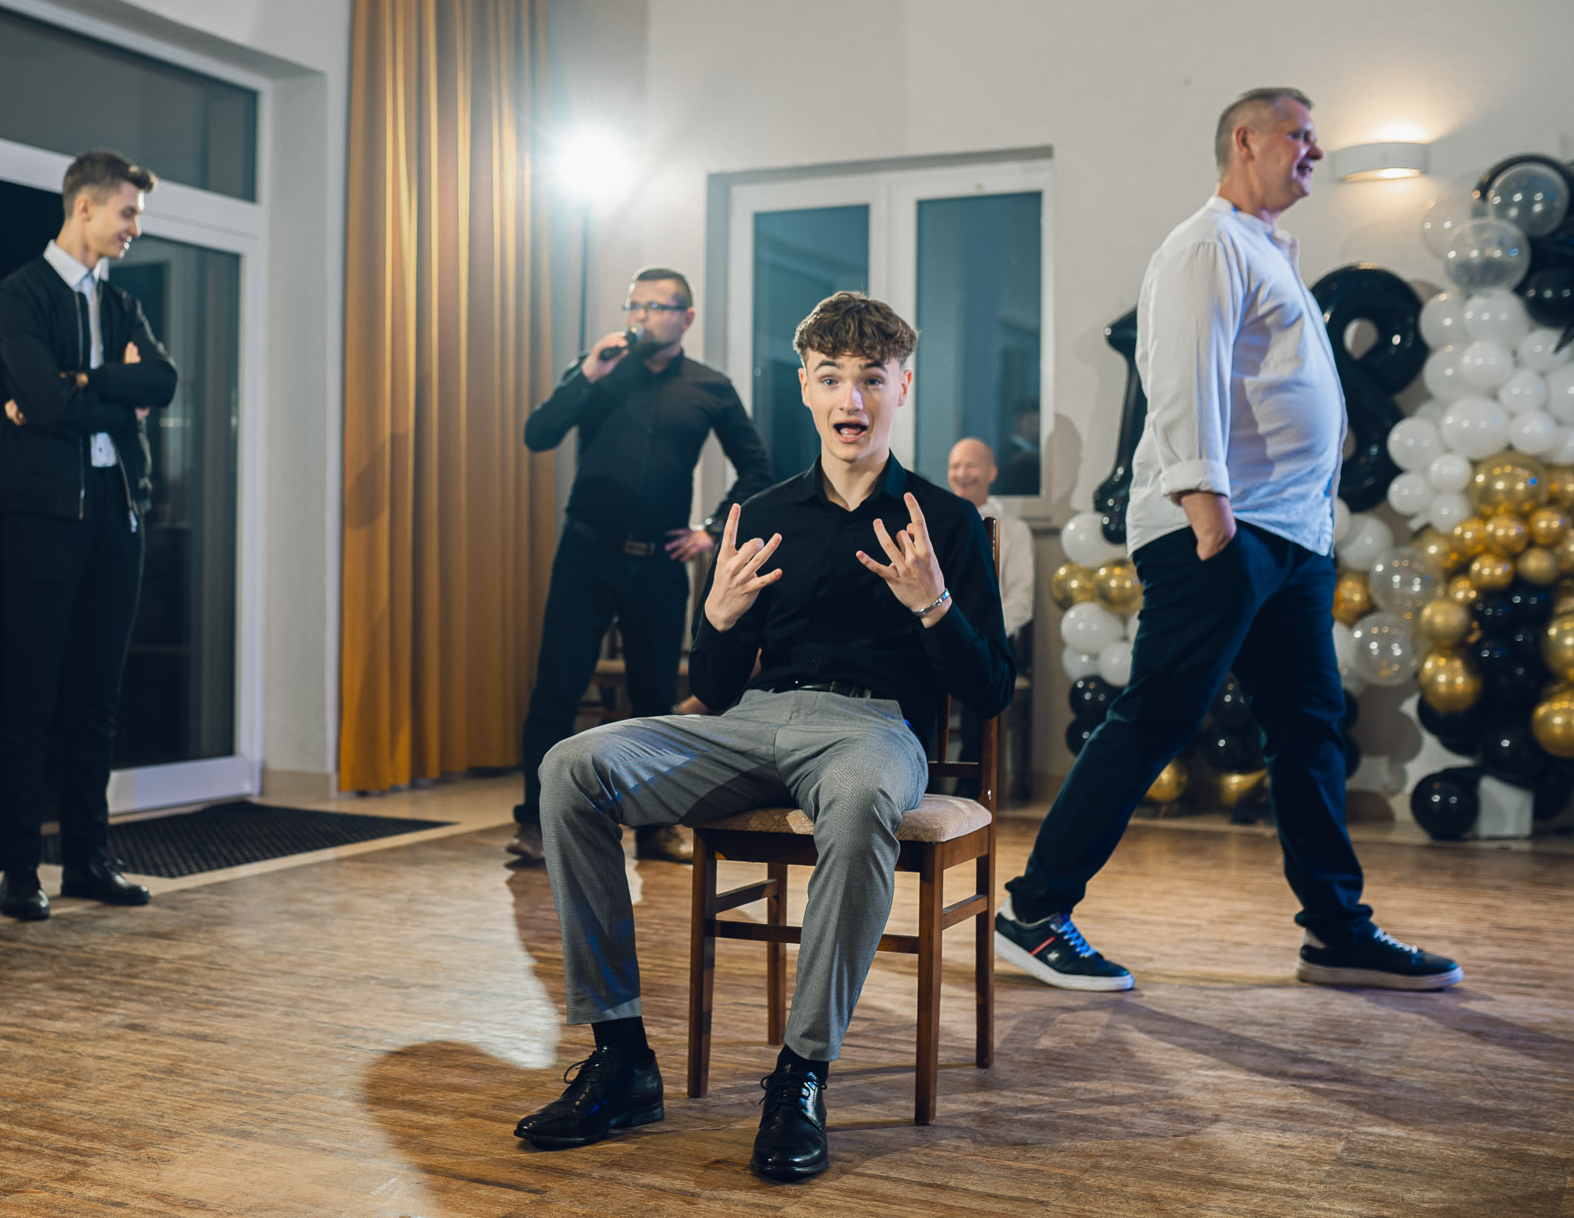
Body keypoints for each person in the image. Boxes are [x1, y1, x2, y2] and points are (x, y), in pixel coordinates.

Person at [516, 292, 1014, 1181]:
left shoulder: (945, 522)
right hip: (751, 721)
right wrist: (715, 619)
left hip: (872, 728)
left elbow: (990, 689)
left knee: (860, 799)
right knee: (571, 766)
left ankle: (801, 1074)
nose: (851, 400)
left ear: (902, 387)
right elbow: (713, 688)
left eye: (871, 379)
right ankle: (622, 1056)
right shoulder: (767, 511)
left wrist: (935, 605)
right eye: (832, 379)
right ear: (806, 388)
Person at [996, 87, 1462, 993]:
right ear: (1246, 141)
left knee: (1310, 729)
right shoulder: (1206, 244)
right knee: (1159, 715)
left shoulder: (1267, 249)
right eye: (1301, 135)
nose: (1315, 150)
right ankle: (1035, 910)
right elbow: (1183, 373)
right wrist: (1207, 505)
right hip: (1222, 528)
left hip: (1289, 535)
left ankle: (1335, 929)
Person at [510, 267, 772, 866]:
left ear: (686, 318)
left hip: (657, 563)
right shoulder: (598, 371)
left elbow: (757, 469)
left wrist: (710, 530)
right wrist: (586, 375)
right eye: (635, 305)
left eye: (656, 306)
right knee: (556, 689)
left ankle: (655, 828)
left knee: (655, 698)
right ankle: (535, 824)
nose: (641, 317)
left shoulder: (710, 387)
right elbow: (538, 434)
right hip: (585, 554)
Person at [0, 149, 176, 922]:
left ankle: (88, 859)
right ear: (86, 207)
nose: (136, 228)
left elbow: (163, 381)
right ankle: (18, 868)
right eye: (128, 213)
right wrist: (111, 395)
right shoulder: (20, 293)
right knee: (31, 694)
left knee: (99, 697)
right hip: (44, 515)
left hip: (116, 510)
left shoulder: (124, 304)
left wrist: (84, 381)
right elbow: (43, 400)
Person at [946, 436, 1033, 767]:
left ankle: (973, 788)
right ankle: (921, 783)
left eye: (971, 466)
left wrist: (976, 634)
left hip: (990, 640)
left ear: (992, 472)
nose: (962, 474)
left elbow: (1021, 601)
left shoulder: (1014, 530)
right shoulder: (936, 525)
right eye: (955, 466)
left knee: (981, 675)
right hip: (941, 636)